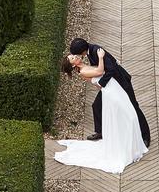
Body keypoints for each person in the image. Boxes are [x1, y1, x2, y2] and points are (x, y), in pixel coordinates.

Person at [53, 37, 150, 174]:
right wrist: (100, 81)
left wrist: (100, 81)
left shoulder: (96, 51)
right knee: (97, 106)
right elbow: (99, 72)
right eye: (73, 57)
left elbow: (110, 70)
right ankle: (102, 131)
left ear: (81, 51)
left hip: (120, 82)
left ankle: (145, 136)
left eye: (75, 54)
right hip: (110, 87)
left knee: (134, 108)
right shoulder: (90, 55)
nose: (75, 56)